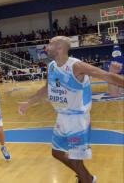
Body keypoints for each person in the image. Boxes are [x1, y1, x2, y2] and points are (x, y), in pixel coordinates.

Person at [18, 36, 124, 183]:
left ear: (60, 48)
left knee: (76, 158)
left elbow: (106, 76)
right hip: (61, 117)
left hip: (77, 119)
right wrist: (29, 102)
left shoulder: (76, 66)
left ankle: (85, 179)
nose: (46, 47)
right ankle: (87, 178)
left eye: (50, 44)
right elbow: (48, 88)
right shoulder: (52, 66)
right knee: (56, 153)